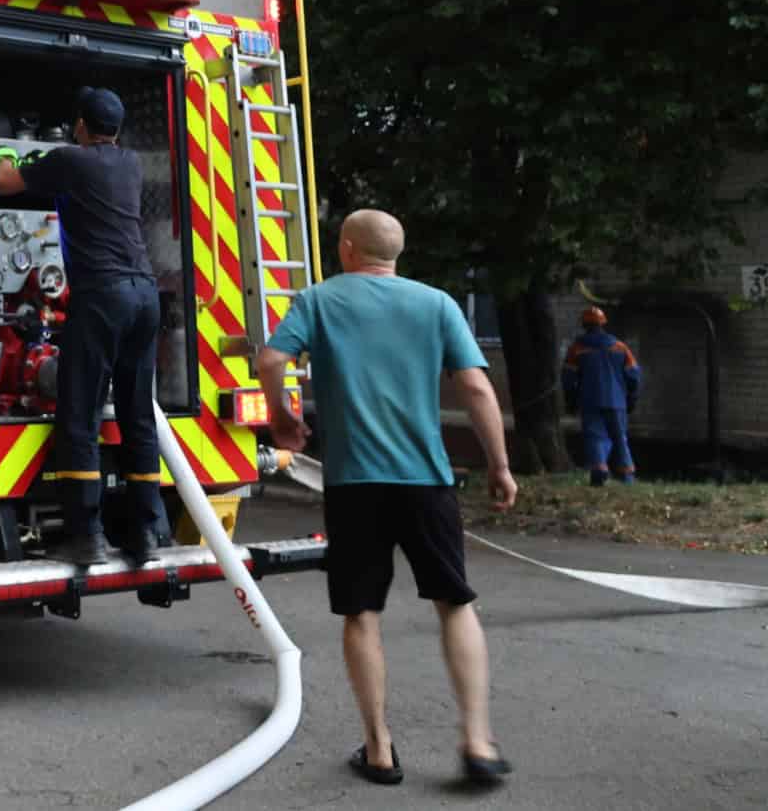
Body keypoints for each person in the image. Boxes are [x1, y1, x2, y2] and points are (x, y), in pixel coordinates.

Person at [256, 209, 518, 788]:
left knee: (362, 613)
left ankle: (379, 747)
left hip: (354, 486)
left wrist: (282, 418)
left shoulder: (319, 301)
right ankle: (476, 739)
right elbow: (475, 385)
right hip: (427, 481)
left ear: (348, 247)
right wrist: (499, 464)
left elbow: (272, 359)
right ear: (395, 252)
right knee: (455, 603)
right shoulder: (437, 304)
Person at [0, 86, 167, 567]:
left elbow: (5, 181)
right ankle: (145, 532)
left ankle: (86, 536)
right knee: (136, 414)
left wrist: (4, 151)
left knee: (79, 414)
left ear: (81, 127)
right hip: (144, 295)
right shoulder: (128, 162)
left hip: (103, 296)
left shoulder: (70, 160)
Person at [562, 306, 642, 486]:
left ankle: (599, 471)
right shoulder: (620, 347)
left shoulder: (577, 349)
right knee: (620, 436)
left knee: (595, 436)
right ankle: (627, 475)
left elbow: (568, 378)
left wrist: (571, 401)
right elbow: (634, 375)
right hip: (617, 401)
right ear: (603, 323)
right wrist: (632, 398)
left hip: (590, 401)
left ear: (584, 325)